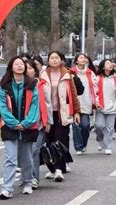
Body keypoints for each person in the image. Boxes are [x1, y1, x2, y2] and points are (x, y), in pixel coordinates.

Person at [0, 57, 39, 199]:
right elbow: (2, 108)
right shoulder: (4, 86)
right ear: (11, 67)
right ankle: (7, 188)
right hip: (10, 127)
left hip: (28, 127)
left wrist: (26, 123)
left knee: (26, 157)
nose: (20, 66)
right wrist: (14, 123)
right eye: (16, 64)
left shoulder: (32, 84)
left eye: (22, 64)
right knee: (11, 158)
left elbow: (35, 106)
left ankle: (27, 182)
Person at [40, 51, 80, 182]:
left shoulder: (67, 75)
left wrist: (76, 112)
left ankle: (58, 169)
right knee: (49, 141)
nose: (54, 60)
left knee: (59, 140)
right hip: (47, 113)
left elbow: (73, 94)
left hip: (62, 112)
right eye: (52, 58)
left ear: (61, 60)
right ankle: (52, 168)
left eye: (57, 58)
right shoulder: (43, 75)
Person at [25, 59, 53, 189]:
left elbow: (48, 104)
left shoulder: (41, 84)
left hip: (39, 123)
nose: (28, 70)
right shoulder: (18, 85)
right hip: (23, 123)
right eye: (26, 68)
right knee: (25, 151)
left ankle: (34, 178)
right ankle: (26, 176)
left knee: (35, 150)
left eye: (30, 68)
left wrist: (48, 121)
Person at [95, 60, 116, 155]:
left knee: (110, 128)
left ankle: (108, 146)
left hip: (112, 107)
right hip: (101, 107)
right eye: (107, 63)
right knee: (99, 126)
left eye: (111, 63)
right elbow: (95, 92)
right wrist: (97, 102)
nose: (110, 65)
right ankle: (100, 139)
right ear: (103, 67)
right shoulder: (98, 78)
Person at [70, 53, 97, 154]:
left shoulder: (90, 73)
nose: (83, 59)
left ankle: (84, 143)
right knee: (76, 126)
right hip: (74, 103)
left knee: (85, 126)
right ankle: (78, 147)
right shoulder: (71, 73)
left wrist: (96, 100)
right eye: (81, 57)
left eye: (84, 58)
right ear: (76, 61)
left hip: (86, 102)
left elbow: (95, 87)